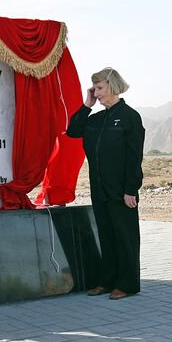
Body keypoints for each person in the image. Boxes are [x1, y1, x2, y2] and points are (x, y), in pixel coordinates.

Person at [66, 67, 145, 300]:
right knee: (107, 237)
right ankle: (107, 281)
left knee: (125, 238)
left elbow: (134, 157)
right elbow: (72, 131)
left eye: (99, 88)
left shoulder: (130, 117)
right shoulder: (96, 119)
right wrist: (86, 105)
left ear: (112, 86)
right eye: (95, 88)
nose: (97, 93)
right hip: (99, 189)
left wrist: (131, 189)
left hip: (122, 191)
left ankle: (127, 284)